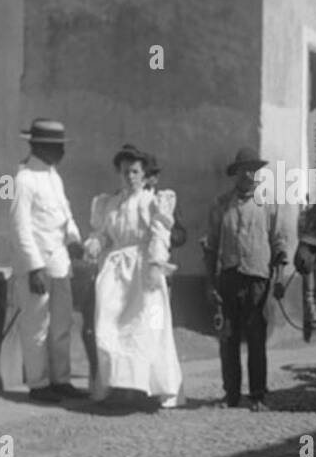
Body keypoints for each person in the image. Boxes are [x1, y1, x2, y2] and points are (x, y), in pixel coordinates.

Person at [84, 144, 185, 408]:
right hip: (115, 272)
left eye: (135, 171)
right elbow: (104, 233)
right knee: (110, 327)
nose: (130, 176)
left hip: (142, 270)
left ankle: (145, 388)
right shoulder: (110, 204)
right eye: (125, 171)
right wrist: (95, 244)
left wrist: (154, 264)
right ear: (119, 173)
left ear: (143, 173)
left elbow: (159, 234)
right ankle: (118, 386)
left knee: (144, 328)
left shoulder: (152, 201)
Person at [204, 146, 291, 411]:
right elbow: (210, 246)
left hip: (258, 280)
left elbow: (279, 243)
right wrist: (211, 284)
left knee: (256, 338)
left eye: (253, 170)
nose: (249, 175)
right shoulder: (221, 205)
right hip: (229, 279)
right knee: (228, 339)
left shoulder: (269, 204)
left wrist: (278, 276)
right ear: (236, 174)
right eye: (244, 170)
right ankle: (231, 395)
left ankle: (257, 396)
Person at [10, 118, 86, 403]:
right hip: (38, 268)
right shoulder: (23, 179)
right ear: (38, 146)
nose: (62, 153)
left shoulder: (55, 177)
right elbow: (20, 228)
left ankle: (61, 379)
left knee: (61, 325)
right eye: (56, 147)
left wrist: (75, 240)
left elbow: (65, 215)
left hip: (60, 264)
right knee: (36, 326)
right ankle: (39, 383)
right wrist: (34, 267)